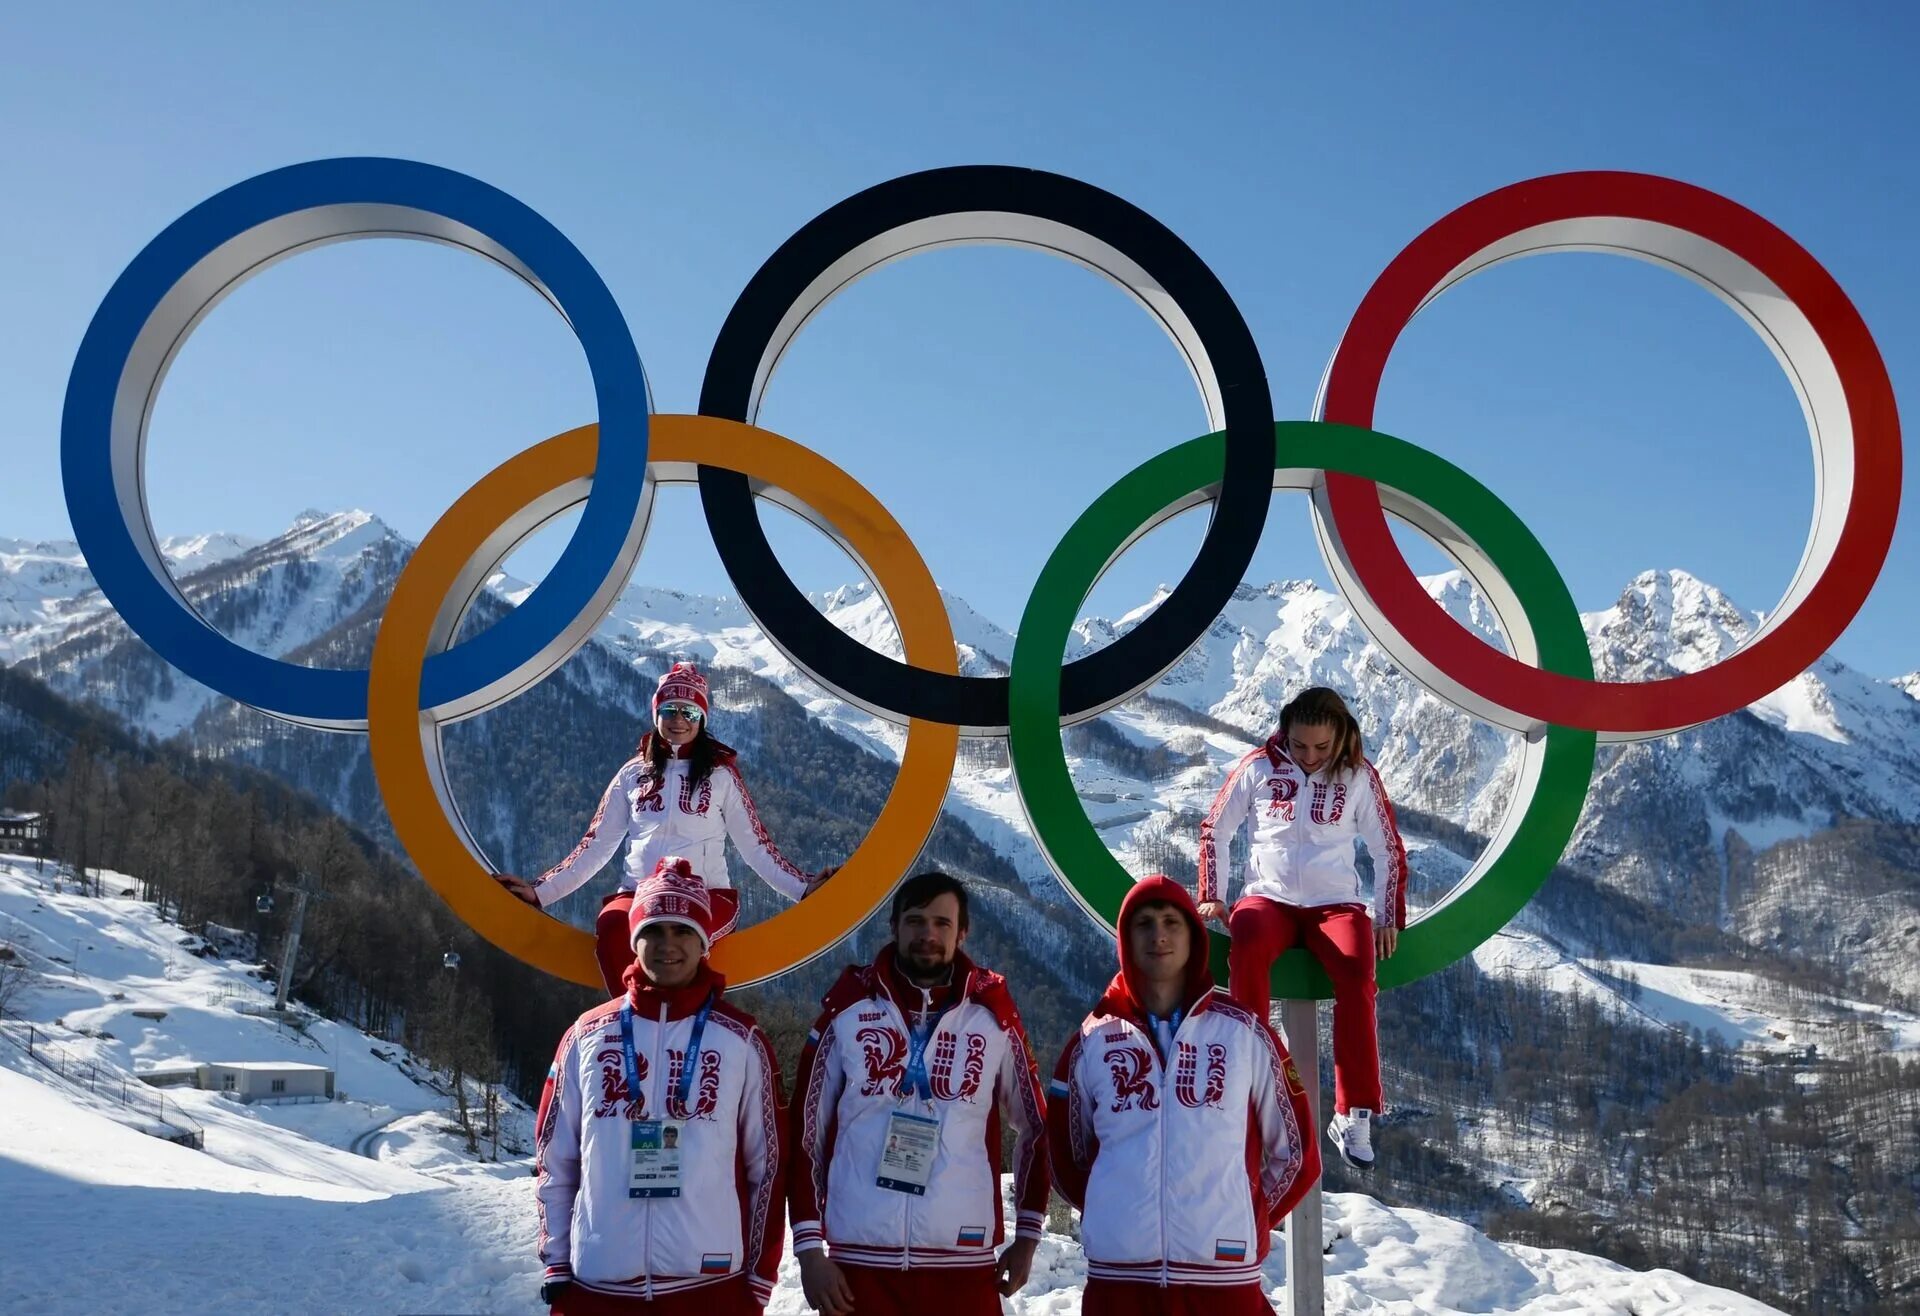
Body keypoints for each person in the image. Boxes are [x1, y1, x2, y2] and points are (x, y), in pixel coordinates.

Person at [1048, 875, 1319, 1316]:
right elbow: (1065, 1155)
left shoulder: (1244, 1031)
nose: (1159, 936)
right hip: (1119, 1283)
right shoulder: (1091, 1040)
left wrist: (1245, 1219)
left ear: (1194, 938)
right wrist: (1114, 1212)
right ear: (1125, 938)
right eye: (1145, 924)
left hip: (1223, 1282)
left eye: (1172, 922)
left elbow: (1297, 1152)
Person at [789, 872, 1050, 1316]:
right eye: (914, 921)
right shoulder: (847, 1010)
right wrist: (809, 1249)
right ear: (894, 927)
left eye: (941, 923)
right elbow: (803, 1131)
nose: (927, 934)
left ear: (962, 933)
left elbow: (1037, 1127)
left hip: (962, 1266)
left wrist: (1028, 1234)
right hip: (859, 1268)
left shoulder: (993, 1017)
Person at [533, 855, 785, 1315]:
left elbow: (767, 1167)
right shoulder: (586, 1036)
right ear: (634, 941)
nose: (669, 944)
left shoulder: (742, 1041)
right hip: (599, 1286)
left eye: (684, 930)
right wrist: (557, 1265)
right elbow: (555, 1159)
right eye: (654, 930)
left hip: (710, 1286)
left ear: (705, 941)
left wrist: (759, 1282)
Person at [498, 662, 830, 995]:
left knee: (677, 934)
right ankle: (632, 1021)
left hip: (708, 894)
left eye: (690, 713)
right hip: (639, 892)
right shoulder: (631, 775)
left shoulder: (721, 776)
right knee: (614, 926)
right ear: (656, 714)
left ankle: (689, 1032)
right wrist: (540, 891)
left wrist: (802, 888)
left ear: (702, 719)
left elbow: (756, 846)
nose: (679, 721)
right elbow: (595, 844)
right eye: (670, 710)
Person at [1195, 686, 1408, 1169]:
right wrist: (1212, 893)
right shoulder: (1257, 767)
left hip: (1335, 904)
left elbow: (1387, 848)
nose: (1310, 756)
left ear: (1341, 737)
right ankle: (1251, 1084)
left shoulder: (1358, 776)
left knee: (1357, 971)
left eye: (1321, 747)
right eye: (1300, 746)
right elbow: (1215, 829)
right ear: (1284, 734)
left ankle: (1354, 1111)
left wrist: (1388, 912)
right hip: (1267, 898)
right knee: (1246, 949)